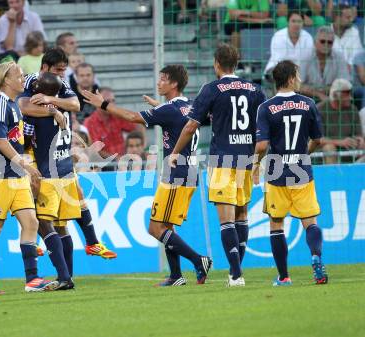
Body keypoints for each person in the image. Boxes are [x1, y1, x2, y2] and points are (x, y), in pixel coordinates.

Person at [83, 64, 213, 287]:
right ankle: (175, 276)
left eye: (163, 79)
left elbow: (131, 117)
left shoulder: (169, 110)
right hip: (187, 172)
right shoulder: (188, 105)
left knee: (155, 228)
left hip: (177, 174)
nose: (158, 82)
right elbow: (175, 118)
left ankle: (198, 260)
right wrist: (158, 107)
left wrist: (103, 104)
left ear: (173, 83)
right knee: (166, 227)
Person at [170, 44, 266, 287]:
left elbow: (191, 125)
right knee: (242, 215)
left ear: (216, 64)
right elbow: (263, 130)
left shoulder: (212, 88)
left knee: (226, 220)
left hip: (223, 159)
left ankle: (235, 274)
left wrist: (175, 152)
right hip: (246, 158)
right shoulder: (255, 89)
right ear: (236, 62)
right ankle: (236, 271)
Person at [19, 48, 117, 269]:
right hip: (33, 148)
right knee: (34, 191)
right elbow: (25, 107)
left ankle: (84, 252)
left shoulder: (60, 84)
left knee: (73, 198)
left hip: (55, 149)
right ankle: (31, 238)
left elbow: (76, 105)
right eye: (58, 70)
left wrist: (49, 101)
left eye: (64, 70)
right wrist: (55, 112)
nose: (63, 75)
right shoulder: (31, 81)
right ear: (45, 68)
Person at [0, 61, 56, 295]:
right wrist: (25, 163)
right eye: (19, 76)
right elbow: (0, 142)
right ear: (6, 80)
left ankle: (32, 279)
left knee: (31, 222)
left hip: (17, 176)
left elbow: (15, 140)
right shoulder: (0, 104)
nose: (23, 80)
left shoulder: (14, 106)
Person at [253, 60, 328, 286]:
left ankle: (284, 276)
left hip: (277, 171)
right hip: (301, 169)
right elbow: (319, 140)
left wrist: (255, 165)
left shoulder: (266, 107)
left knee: (276, 223)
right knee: (310, 221)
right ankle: (316, 257)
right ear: (292, 78)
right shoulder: (308, 103)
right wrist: (305, 153)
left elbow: (262, 145)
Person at [317, 78, 364, 163]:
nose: (350, 98)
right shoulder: (319, 110)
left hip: (348, 149)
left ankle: (356, 173)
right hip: (323, 152)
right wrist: (340, 142)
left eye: (350, 93)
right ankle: (332, 175)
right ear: (335, 95)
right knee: (329, 148)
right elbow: (317, 139)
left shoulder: (353, 109)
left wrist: (360, 140)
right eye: (346, 94)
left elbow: (358, 134)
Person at [83, 87, 139, 159]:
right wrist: (116, 158)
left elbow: (138, 124)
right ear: (97, 102)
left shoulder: (117, 115)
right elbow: (93, 150)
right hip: (102, 166)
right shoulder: (89, 123)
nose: (111, 104)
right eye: (108, 101)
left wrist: (142, 145)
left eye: (113, 101)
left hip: (123, 162)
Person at [299, 26, 350, 102]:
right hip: (309, 97)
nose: (326, 44)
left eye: (330, 42)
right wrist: (319, 94)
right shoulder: (305, 56)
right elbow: (298, 85)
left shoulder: (339, 56)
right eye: (322, 41)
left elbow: (344, 83)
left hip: (333, 95)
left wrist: (327, 90)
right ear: (315, 42)